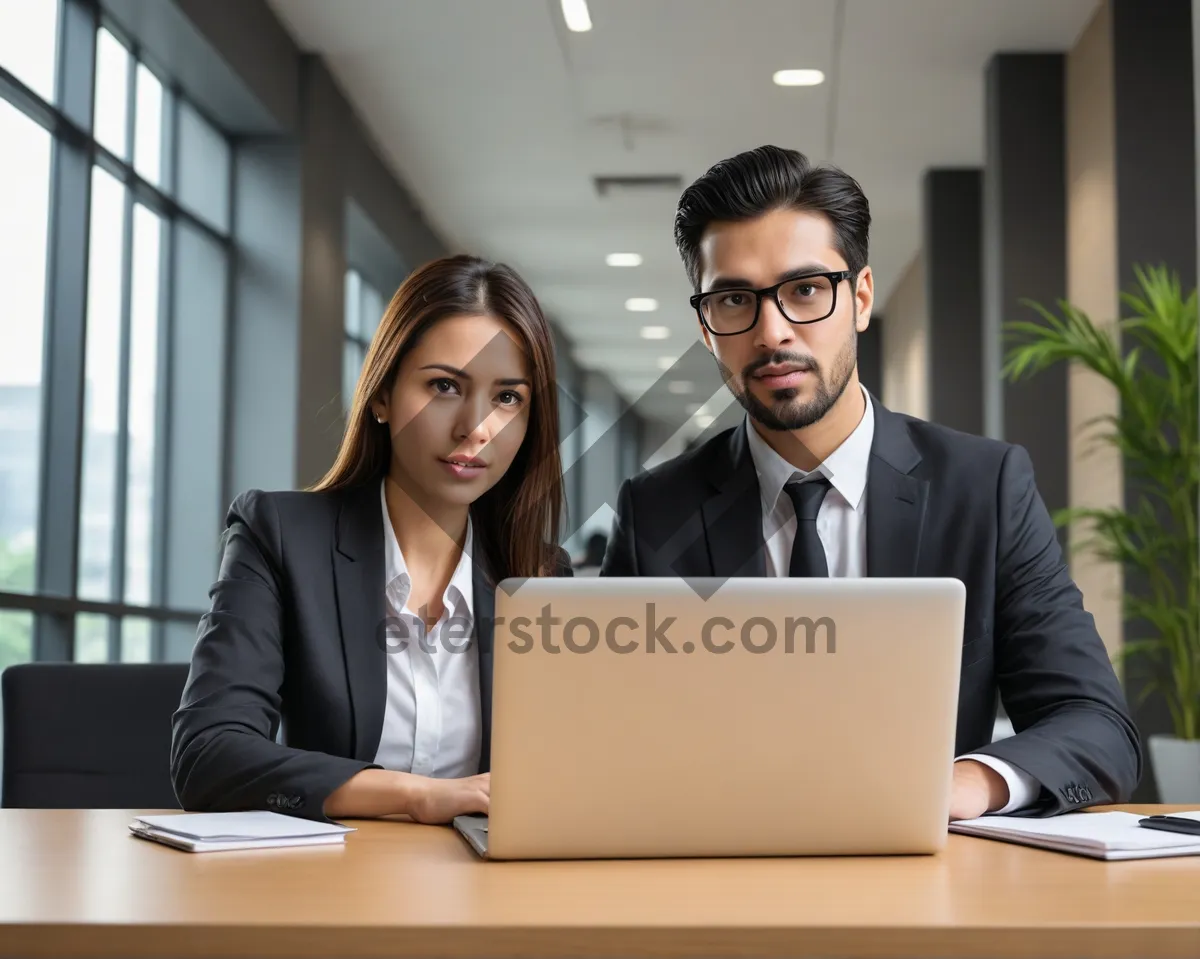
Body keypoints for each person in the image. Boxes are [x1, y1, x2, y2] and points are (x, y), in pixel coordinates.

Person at [600, 145, 1141, 820]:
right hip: (723, 872)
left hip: (924, 879)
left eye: (804, 290)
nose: (772, 333)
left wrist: (960, 783)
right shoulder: (656, 511)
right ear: (707, 329)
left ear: (859, 298)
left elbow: (1094, 723)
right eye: (735, 299)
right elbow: (611, 737)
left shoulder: (985, 488)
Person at [171, 254, 571, 823]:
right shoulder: (280, 536)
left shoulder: (540, 576)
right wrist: (422, 797)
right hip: (331, 883)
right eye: (444, 386)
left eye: (508, 398)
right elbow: (209, 757)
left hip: (488, 892)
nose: (475, 428)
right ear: (382, 396)